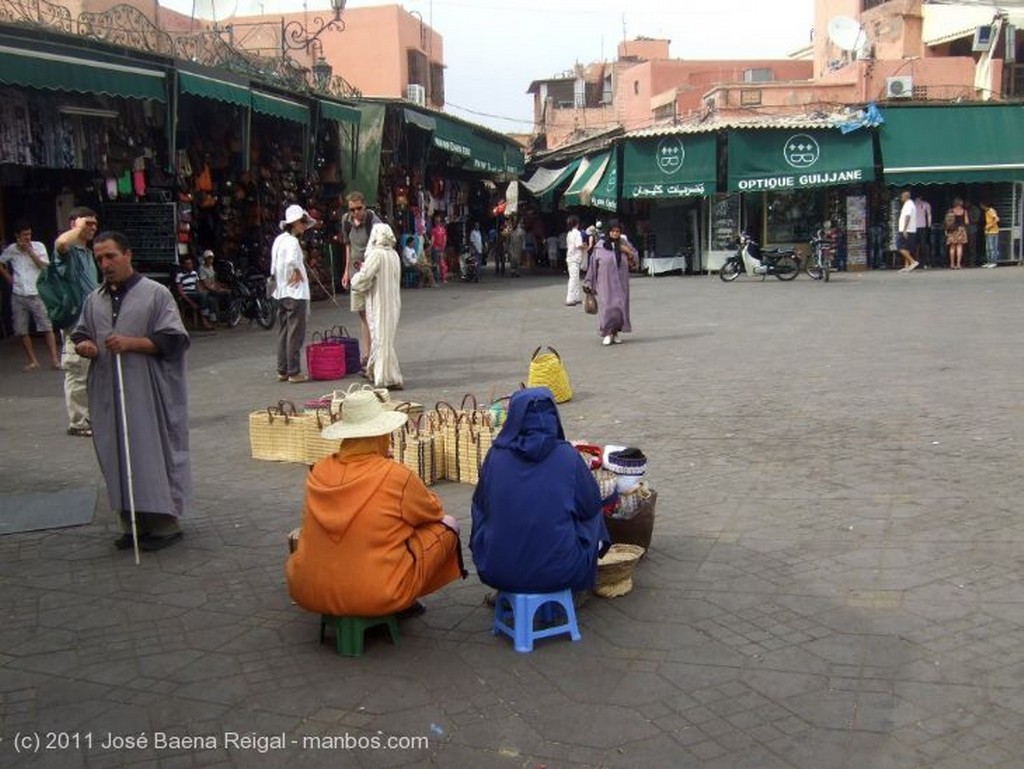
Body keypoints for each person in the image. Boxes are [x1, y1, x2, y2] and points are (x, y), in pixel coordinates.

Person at [286, 390, 465, 617]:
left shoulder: (319, 470)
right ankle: (405, 598)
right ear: (381, 436)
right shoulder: (395, 476)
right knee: (447, 525)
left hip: (307, 589)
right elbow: (434, 511)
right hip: (377, 593)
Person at [70, 230, 191, 552]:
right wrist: (86, 345)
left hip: (147, 392)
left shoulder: (156, 294)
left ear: (128, 255)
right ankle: (131, 523)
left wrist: (132, 344)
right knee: (116, 454)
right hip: (108, 391)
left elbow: (174, 340)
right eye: (99, 259)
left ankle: (163, 524)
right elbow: (81, 331)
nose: (105, 264)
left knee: (148, 453)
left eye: (110, 256)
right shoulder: (94, 298)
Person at [470, 387, 609, 595]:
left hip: (496, 569)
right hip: (561, 572)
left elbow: (481, 505)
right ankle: (575, 585)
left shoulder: (495, 456)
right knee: (594, 514)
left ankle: (508, 576)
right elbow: (590, 505)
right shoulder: (568, 456)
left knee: (483, 510)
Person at [54, 206, 100, 438]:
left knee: (90, 371)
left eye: (94, 223)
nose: (91, 227)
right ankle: (79, 421)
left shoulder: (87, 253)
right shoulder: (69, 251)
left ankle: (90, 416)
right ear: (73, 223)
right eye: (86, 223)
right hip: (76, 321)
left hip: (91, 319)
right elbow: (61, 244)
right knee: (77, 370)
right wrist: (77, 229)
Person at [0, 221, 61, 371]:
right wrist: (9, 279)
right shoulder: (11, 249)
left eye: (29, 234)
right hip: (19, 293)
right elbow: (1, 262)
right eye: (24, 235)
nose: (27, 237)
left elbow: (44, 266)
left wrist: (30, 251)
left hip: (36, 292)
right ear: (17, 236)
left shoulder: (38, 246)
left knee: (47, 326)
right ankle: (33, 360)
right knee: (22, 330)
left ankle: (54, 360)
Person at [350, 222, 403, 390]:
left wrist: (354, 281)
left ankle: (383, 378)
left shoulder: (376, 255)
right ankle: (381, 372)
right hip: (393, 302)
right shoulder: (394, 255)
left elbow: (365, 277)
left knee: (380, 338)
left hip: (378, 302)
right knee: (385, 339)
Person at [271, 204, 312, 383]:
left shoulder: (279, 240)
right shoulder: (292, 242)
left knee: (284, 331)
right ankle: (294, 371)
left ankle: (282, 369)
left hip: (281, 291)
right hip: (295, 293)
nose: (304, 225)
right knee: (295, 333)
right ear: (294, 223)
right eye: (302, 221)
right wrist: (295, 270)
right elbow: (290, 261)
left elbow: (274, 265)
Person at [582, 219, 636, 346]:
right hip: (605, 283)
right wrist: (589, 281)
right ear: (608, 232)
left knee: (619, 308)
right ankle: (607, 333)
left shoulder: (624, 244)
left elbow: (635, 258)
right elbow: (593, 265)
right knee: (607, 307)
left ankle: (615, 332)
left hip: (621, 282)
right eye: (613, 231)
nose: (615, 234)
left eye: (618, 231)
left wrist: (627, 251)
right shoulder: (600, 246)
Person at [340, 191, 377, 370]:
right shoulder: (346, 221)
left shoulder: (373, 221)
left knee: (373, 314)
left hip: (370, 271)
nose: (355, 212)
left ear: (365, 206)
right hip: (356, 272)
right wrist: (346, 271)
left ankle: (372, 354)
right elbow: (347, 245)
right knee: (362, 313)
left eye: (358, 208)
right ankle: (366, 353)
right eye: (352, 209)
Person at [173, 255, 215, 329]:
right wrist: (191, 303)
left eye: (191, 263)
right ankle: (204, 321)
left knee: (210, 299)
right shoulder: (179, 275)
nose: (190, 266)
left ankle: (212, 319)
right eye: (188, 264)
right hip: (187, 295)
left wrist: (201, 291)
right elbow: (181, 292)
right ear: (183, 265)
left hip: (195, 294)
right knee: (203, 296)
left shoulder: (194, 273)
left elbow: (197, 286)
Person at [198, 248, 231, 314]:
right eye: (208, 258)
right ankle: (222, 313)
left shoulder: (211, 267)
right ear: (205, 259)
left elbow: (213, 280)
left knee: (229, 291)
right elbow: (205, 285)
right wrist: (217, 290)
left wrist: (220, 285)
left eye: (211, 258)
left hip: (213, 287)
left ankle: (225, 312)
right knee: (226, 293)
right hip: (206, 290)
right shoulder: (201, 268)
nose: (210, 260)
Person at [564, 215, 586, 306]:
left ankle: (576, 297)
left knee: (575, 277)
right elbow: (578, 245)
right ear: (577, 223)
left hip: (570, 257)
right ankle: (570, 298)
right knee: (574, 278)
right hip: (575, 258)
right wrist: (585, 246)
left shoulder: (569, 233)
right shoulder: (577, 233)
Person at [896, 190, 919, 273]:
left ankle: (913, 261)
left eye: (902, 197)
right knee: (906, 248)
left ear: (905, 197)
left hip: (906, 230)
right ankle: (907, 266)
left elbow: (907, 217)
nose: (901, 199)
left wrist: (905, 229)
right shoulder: (910, 204)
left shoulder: (908, 205)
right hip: (911, 229)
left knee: (900, 247)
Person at [945, 197, 969, 270]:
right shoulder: (964, 211)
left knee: (952, 247)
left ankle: (952, 264)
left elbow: (947, 221)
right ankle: (958, 264)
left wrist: (946, 230)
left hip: (952, 230)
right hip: (961, 230)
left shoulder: (951, 210)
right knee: (959, 247)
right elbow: (966, 222)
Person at [914, 195, 932, 269]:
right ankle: (924, 263)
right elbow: (929, 215)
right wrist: (929, 225)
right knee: (923, 245)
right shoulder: (926, 204)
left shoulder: (912, 204)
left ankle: (915, 261)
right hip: (922, 226)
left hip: (914, 227)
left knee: (916, 245)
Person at [429, 214, 447, 284]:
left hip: (436, 248)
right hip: (441, 248)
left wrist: (430, 247)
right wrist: (443, 247)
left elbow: (432, 240)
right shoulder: (443, 230)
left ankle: (437, 278)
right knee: (441, 264)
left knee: (436, 264)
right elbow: (445, 239)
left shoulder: (434, 230)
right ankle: (443, 278)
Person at [982, 202, 1000, 268]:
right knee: (988, 248)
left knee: (992, 248)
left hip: (993, 231)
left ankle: (993, 262)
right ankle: (989, 262)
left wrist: (990, 226)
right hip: (988, 232)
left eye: (982, 205)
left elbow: (997, 219)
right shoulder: (986, 212)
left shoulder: (991, 211)